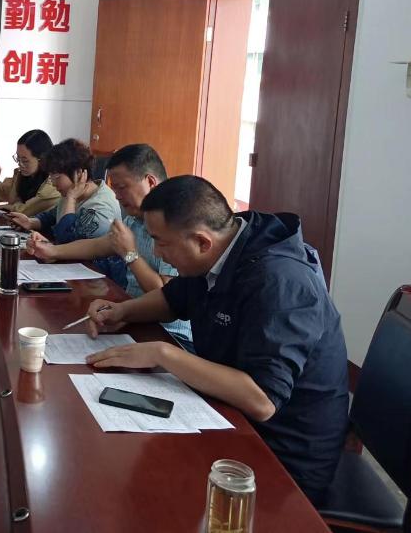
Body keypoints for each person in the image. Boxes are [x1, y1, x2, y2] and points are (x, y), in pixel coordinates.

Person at [83, 176, 348, 505]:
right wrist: (121, 311)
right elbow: (173, 299)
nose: (156, 252)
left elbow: (262, 400)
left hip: (282, 456)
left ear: (202, 242)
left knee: (142, 491)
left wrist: (163, 354)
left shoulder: (279, 282)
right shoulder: (225, 248)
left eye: (161, 242)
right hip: (228, 415)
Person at [30, 144, 192, 348]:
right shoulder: (136, 218)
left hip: (168, 335)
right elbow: (98, 246)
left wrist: (130, 254)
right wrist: (52, 250)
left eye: (122, 188)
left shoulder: (175, 223)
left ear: (150, 182)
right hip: (135, 318)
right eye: (114, 189)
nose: (116, 196)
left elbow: (167, 299)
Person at [7, 138, 120, 244]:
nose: (53, 183)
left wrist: (70, 199)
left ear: (78, 174)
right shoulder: (74, 191)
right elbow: (52, 216)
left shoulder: (99, 208)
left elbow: (66, 241)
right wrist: (30, 222)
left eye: (57, 177)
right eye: (51, 176)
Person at [0, 129, 60, 215]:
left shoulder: (54, 181)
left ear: (42, 159)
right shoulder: (20, 175)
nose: (20, 164)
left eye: (25, 161)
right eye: (18, 158)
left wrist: (6, 207)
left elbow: (27, 210)